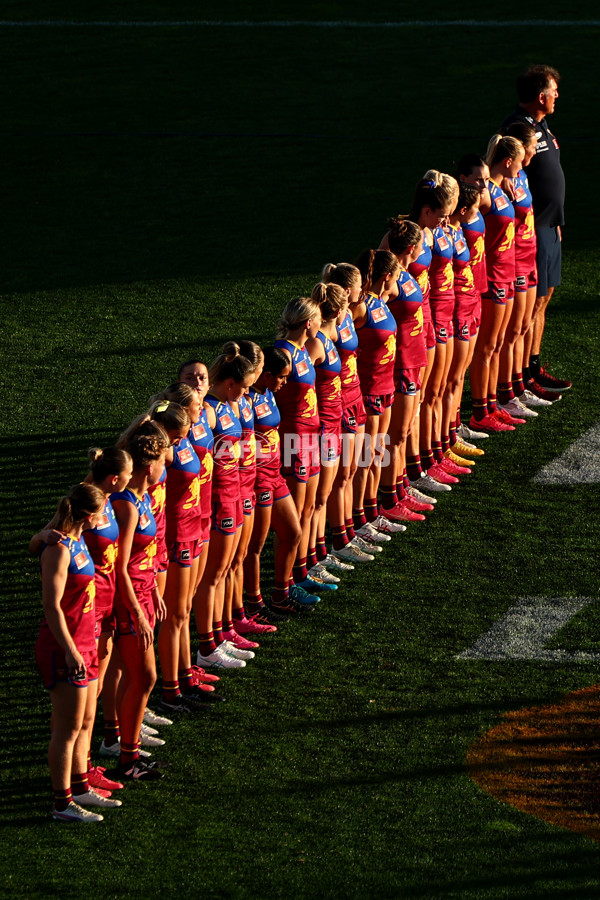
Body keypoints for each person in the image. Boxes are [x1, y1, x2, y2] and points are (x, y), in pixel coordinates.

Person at [34, 482, 123, 822]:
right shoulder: (59, 549)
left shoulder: (74, 539)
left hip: (85, 642)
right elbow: (52, 607)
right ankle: (62, 803)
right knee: (67, 729)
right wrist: (71, 651)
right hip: (64, 648)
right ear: (88, 516)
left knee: (86, 720)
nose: (105, 519)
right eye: (101, 514)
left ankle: (81, 786)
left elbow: (35, 542)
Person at [501, 64, 571, 393]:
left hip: (549, 226)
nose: (558, 96)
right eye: (554, 91)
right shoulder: (517, 128)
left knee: (543, 302)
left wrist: (555, 220)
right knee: (532, 304)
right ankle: (521, 377)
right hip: (533, 230)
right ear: (541, 96)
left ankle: (533, 366)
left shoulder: (541, 125)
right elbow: (510, 177)